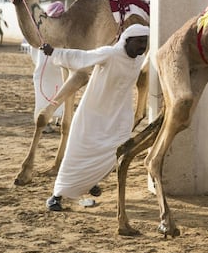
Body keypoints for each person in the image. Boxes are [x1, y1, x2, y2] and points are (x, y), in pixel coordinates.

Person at [41, 24, 149, 212]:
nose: (143, 46)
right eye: (139, 41)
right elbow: (82, 58)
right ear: (127, 40)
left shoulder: (139, 61)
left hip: (119, 115)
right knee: (77, 151)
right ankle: (56, 196)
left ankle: (90, 181)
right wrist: (55, 52)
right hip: (93, 112)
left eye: (145, 41)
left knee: (115, 150)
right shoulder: (110, 54)